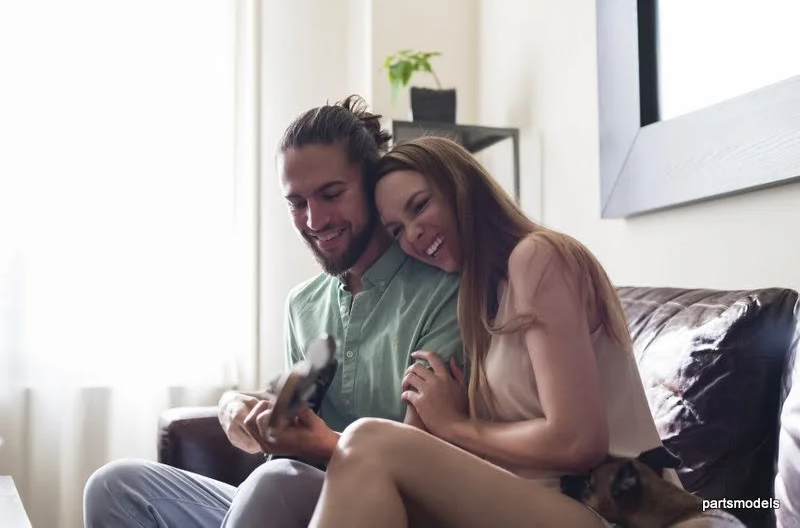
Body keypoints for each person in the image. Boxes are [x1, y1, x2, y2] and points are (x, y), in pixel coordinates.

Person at [82, 98, 463, 528]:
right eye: (297, 203)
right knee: (113, 486)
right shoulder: (303, 305)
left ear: (373, 186)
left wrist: (322, 444)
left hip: (377, 510)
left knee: (277, 480)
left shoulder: (442, 291)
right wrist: (234, 406)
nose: (314, 220)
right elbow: (293, 412)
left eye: (331, 194)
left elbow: (419, 467)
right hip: (286, 506)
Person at [308, 136, 680, 528]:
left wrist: (456, 425)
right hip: (537, 503)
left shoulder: (538, 257)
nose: (413, 234)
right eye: (397, 230)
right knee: (304, 482)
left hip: (611, 508)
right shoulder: (478, 300)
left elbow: (578, 442)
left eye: (420, 206)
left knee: (368, 439)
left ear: (460, 187)